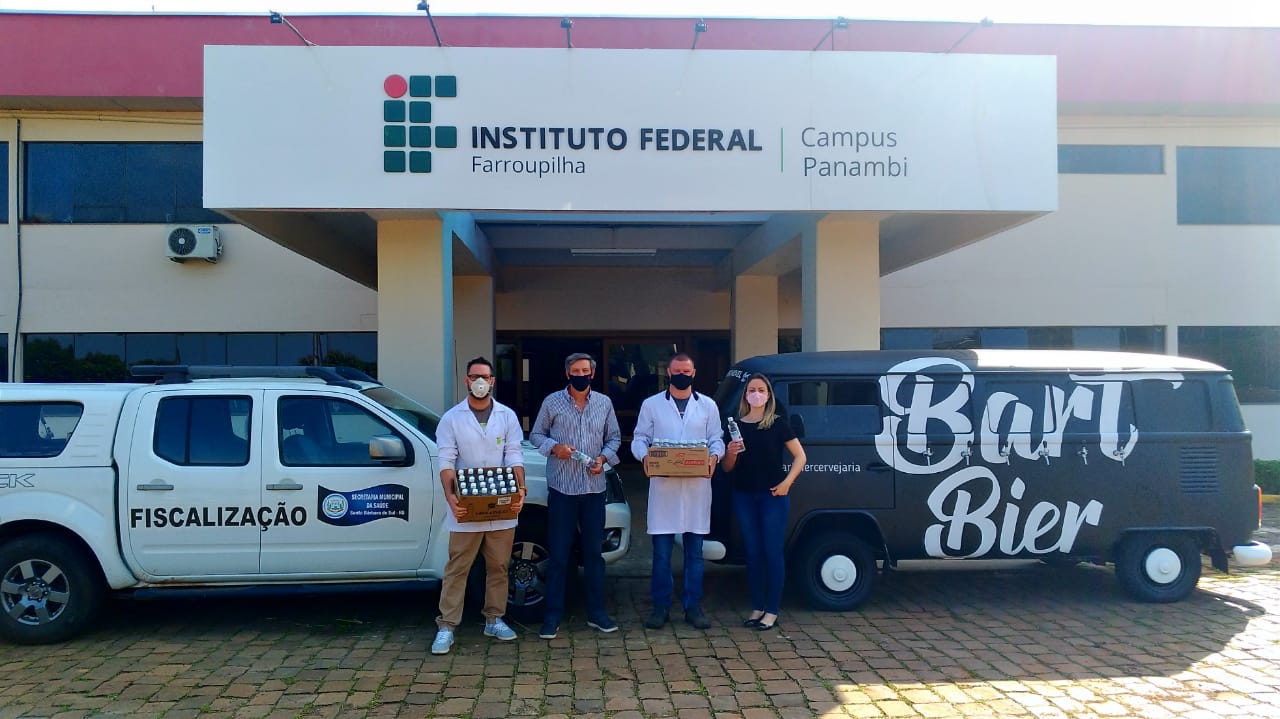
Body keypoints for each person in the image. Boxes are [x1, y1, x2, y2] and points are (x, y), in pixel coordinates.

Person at [431, 356, 527, 655]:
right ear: (467, 381)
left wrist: (520, 489)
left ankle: (494, 618)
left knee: (499, 566)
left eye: (485, 376)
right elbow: (446, 461)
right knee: (458, 567)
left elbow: (514, 455)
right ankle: (447, 626)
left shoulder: (507, 416)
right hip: (467, 505)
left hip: (501, 505)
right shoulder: (452, 418)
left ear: (493, 381)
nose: (480, 382)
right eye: (474, 377)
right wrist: (451, 497)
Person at [529, 352, 623, 639]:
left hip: (594, 490)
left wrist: (603, 459)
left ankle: (597, 613)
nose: (580, 375)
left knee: (594, 555)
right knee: (559, 555)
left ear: (592, 374)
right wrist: (554, 448)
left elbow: (614, 438)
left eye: (585, 371)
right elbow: (536, 435)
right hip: (563, 490)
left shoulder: (604, 403)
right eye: (575, 371)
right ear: (567, 373)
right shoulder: (552, 402)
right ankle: (552, 616)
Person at [631, 352, 725, 630]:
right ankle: (660, 607)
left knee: (694, 554)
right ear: (669, 373)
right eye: (677, 371)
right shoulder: (651, 405)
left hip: (696, 489)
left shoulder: (707, 405)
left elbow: (716, 439)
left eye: (686, 371)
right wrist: (644, 457)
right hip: (664, 489)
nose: (681, 375)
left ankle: (693, 607)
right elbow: (639, 438)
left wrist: (714, 457)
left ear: (693, 373)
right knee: (661, 555)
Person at [720, 373, 805, 631]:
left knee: (772, 552)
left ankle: (772, 610)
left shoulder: (778, 424)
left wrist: (787, 483)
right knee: (753, 553)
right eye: (751, 390)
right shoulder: (735, 427)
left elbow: (800, 457)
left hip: (773, 496)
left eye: (761, 390)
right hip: (744, 496)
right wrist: (730, 453)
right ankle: (757, 607)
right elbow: (727, 468)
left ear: (768, 395)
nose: (756, 394)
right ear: (745, 395)